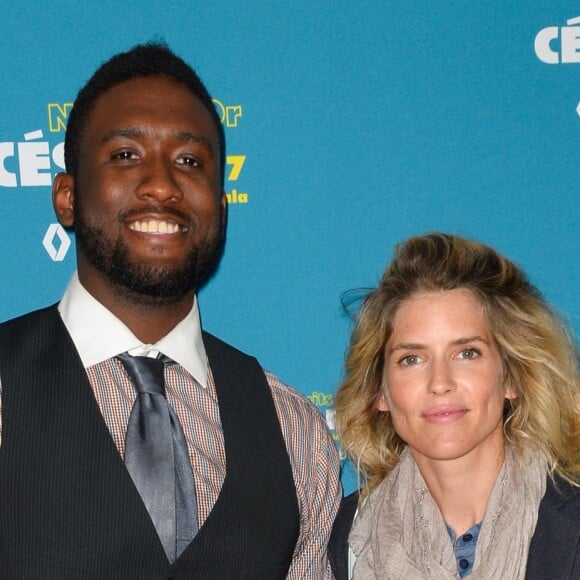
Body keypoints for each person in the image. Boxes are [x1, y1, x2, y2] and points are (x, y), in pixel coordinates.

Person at [0, 43, 340, 579]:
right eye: (126, 155)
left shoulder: (292, 428)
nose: (161, 185)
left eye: (189, 161)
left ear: (221, 208)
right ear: (66, 196)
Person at [328, 233, 579, 579]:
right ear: (379, 391)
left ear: (510, 378)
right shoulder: (342, 537)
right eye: (412, 359)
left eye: (467, 353)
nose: (440, 382)